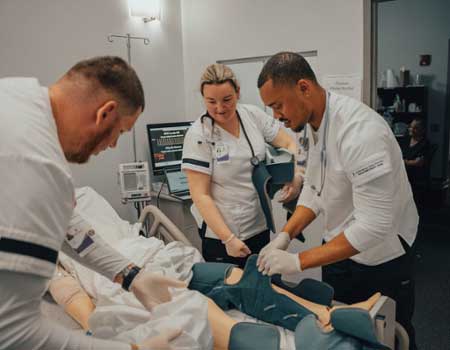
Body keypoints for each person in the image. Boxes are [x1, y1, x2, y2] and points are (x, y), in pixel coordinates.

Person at [0, 56, 185, 350]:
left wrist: (132, 276)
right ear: (105, 113)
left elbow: (69, 227)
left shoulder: (16, 97)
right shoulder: (37, 165)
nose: (112, 145)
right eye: (120, 132)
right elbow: (13, 332)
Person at [255, 52, 419, 349]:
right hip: (342, 249)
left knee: (388, 336)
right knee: (342, 330)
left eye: (278, 105)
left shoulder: (360, 133)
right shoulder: (310, 126)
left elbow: (375, 225)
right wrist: (285, 235)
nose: (276, 116)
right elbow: (315, 190)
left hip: (382, 256)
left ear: (304, 87)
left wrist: (297, 261)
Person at [49, 260, 382, 350]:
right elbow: (80, 307)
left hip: (155, 263)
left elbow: (94, 242)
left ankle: (322, 313)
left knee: (238, 277)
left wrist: (136, 273)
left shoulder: (82, 217)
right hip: (120, 284)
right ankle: (320, 324)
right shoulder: (46, 253)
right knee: (189, 305)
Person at [182, 63, 302, 268]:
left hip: (258, 224)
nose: (220, 108)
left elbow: (289, 143)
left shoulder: (252, 115)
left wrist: (295, 172)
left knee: (261, 288)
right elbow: (200, 195)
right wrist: (228, 239)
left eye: (227, 100)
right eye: (211, 101)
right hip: (222, 235)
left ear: (238, 92)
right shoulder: (199, 135)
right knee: (230, 295)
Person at [402, 118, 431, 184]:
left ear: (422, 130)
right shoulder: (405, 140)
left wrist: (405, 162)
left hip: (416, 175)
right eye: (411, 127)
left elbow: (419, 162)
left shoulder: (425, 143)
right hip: (403, 171)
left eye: (415, 128)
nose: (411, 129)